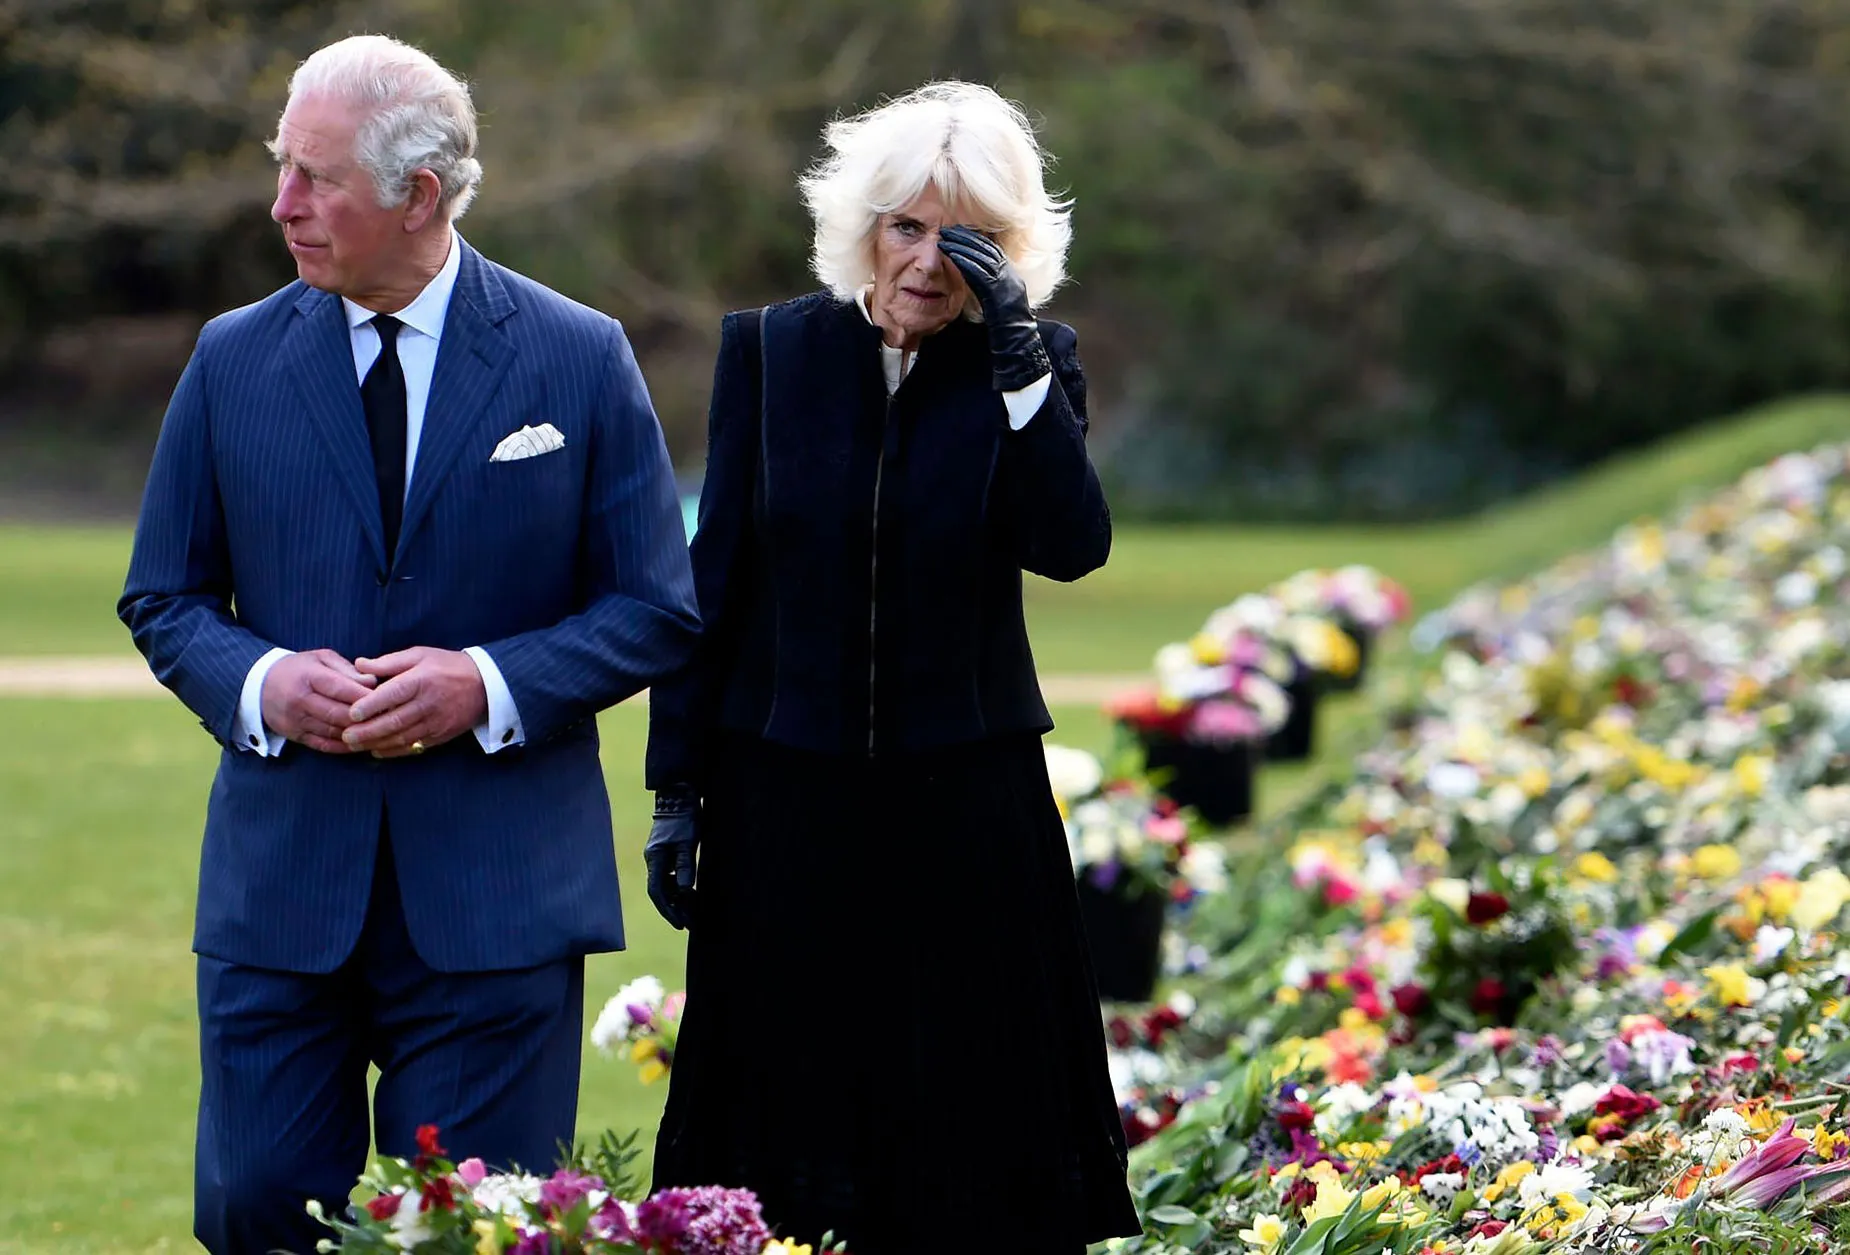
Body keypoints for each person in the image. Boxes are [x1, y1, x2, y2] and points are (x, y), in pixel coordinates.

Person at [118, 35, 697, 1255]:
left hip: (499, 899)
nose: (282, 203)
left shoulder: (577, 354)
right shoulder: (230, 359)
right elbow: (163, 596)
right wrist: (264, 681)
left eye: (316, 177)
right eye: (282, 166)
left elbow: (653, 606)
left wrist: (484, 683)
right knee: (255, 1208)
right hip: (282, 892)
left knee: (475, 1228)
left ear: (419, 195)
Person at [643, 82, 1142, 1252]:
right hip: (782, 788)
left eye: (962, 238)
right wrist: (677, 787)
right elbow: (714, 583)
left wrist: (1017, 363)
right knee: (785, 1105)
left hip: (965, 797)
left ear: (1005, 252)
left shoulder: (1031, 365)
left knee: (967, 1109)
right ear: (861, 226)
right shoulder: (767, 352)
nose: (926, 261)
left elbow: (1070, 545)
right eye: (905, 227)